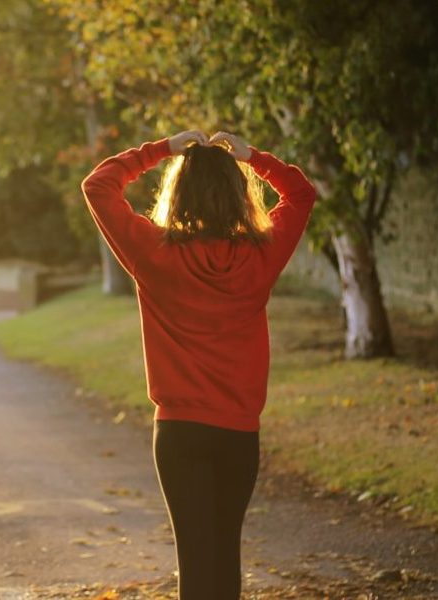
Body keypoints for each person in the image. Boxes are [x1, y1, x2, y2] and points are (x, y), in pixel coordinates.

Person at [81, 130, 317, 599]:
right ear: (237, 194)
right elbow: (302, 193)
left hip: (179, 432)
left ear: (179, 193)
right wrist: (253, 156)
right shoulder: (260, 255)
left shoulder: (156, 253)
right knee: (225, 557)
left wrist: (162, 149)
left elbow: (99, 185)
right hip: (238, 432)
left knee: (195, 560)